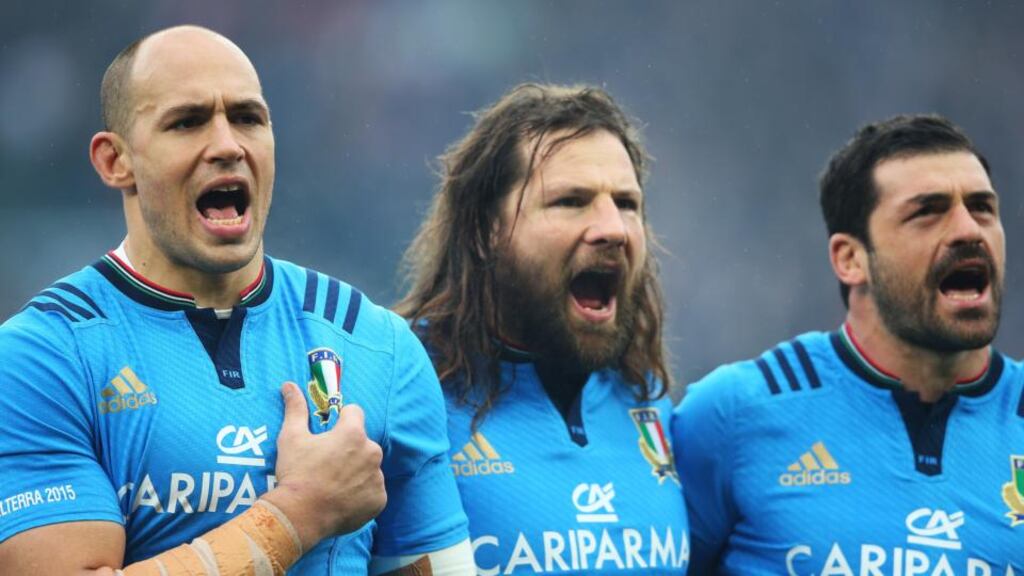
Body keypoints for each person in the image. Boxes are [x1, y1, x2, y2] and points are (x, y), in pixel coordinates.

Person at [0, 25, 472, 575]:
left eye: (248, 118)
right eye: (188, 122)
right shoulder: (41, 359)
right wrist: (300, 511)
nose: (227, 145)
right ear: (115, 161)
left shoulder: (378, 346)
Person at [673, 115, 1024, 574]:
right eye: (928, 212)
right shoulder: (736, 412)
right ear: (850, 258)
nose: (968, 230)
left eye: (982, 208)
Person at [396, 83, 689, 574]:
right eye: (571, 201)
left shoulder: (647, 398)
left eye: (626, 203)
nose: (612, 228)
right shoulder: (403, 392)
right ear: (484, 231)